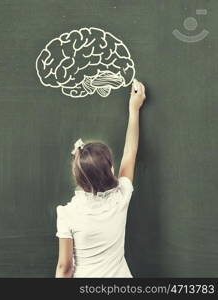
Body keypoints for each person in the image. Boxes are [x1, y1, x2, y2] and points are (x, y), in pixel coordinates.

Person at [55, 80, 146, 278]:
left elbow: (65, 268)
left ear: (78, 176)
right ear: (110, 170)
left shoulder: (67, 214)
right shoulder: (121, 197)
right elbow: (130, 153)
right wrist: (134, 109)